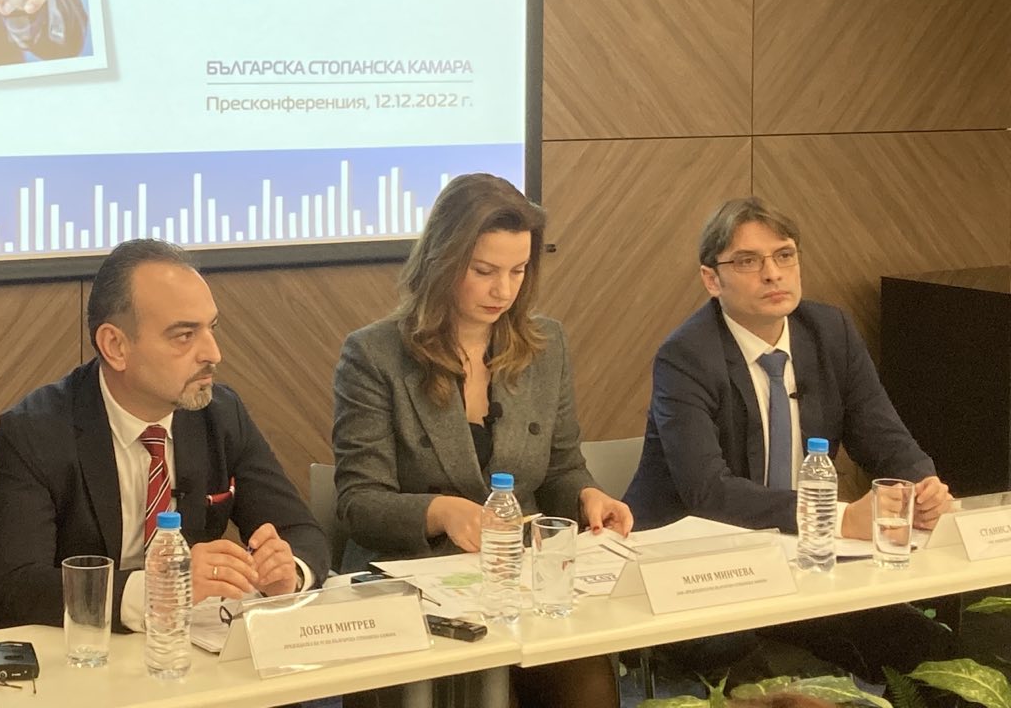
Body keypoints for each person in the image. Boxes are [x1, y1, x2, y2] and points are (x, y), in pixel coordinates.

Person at [623, 197, 952, 683]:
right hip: (697, 569)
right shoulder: (686, 356)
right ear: (712, 280)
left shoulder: (830, 332)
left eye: (784, 255)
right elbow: (707, 492)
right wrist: (838, 517)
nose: (773, 274)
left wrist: (922, 488)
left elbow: (884, 437)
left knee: (929, 648)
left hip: (802, 561)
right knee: (748, 668)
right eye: (747, 261)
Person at [332, 172, 630, 708]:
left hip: (520, 582)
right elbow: (359, 503)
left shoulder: (546, 344)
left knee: (589, 685)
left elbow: (562, 467)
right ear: (442, 262)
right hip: (415, 583)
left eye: (518, 271)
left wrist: (589, 497)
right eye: (484, 271)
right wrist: (442, 512)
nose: (503, 291)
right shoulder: (373, 355)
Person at [0, 238, 329, 632]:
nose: (213, 353)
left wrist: (288, 572)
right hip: (77, 648)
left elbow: (300, 531)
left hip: (185, 648)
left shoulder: (221, 415)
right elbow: (17, 585)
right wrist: (160, 589)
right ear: (115, 346)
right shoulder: (35, 431)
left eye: (211, 328)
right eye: (184, 335)